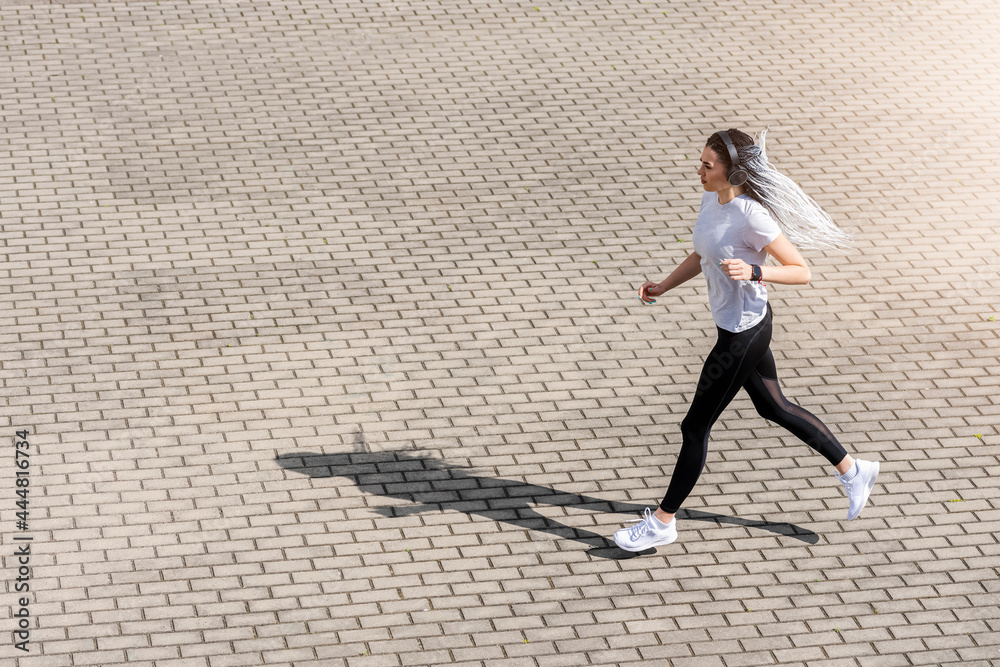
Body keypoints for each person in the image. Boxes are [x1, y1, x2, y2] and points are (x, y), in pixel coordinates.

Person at [613, 128, 879, 552]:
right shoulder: (711, 200)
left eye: (707, 165)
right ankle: (853, 470)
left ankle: (663, 521)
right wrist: (664, 286)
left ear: (730, 170)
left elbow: (800, 270)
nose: (698, 170)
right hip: (736, 326)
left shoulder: (753, 215)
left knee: (694, 426)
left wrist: (756, 272)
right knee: (773, 406)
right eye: (700, 162)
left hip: (744, 333)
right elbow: (702, 254)